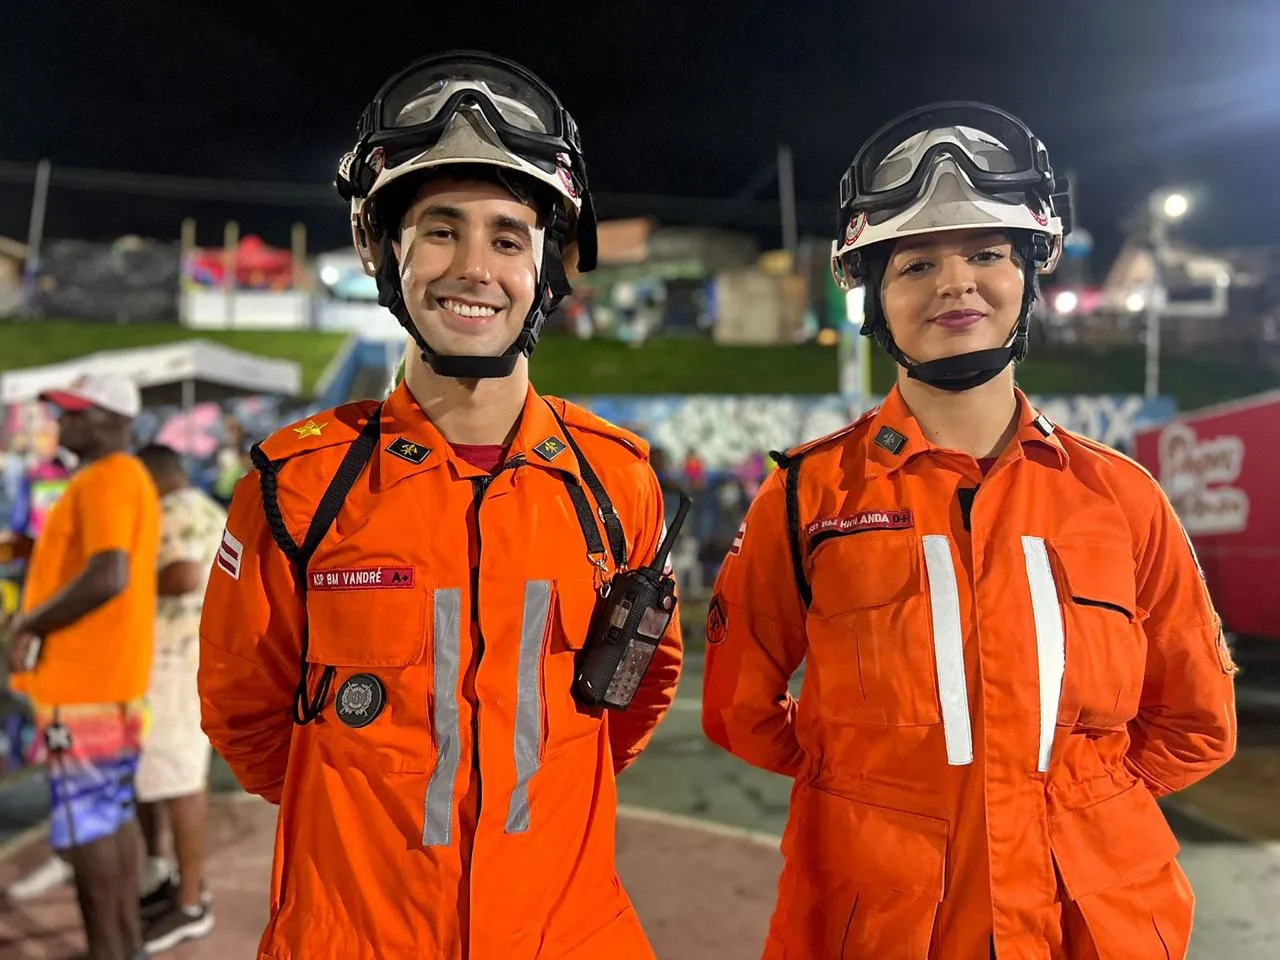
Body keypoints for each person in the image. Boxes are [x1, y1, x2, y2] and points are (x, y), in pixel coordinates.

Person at [701, 102, 1237, 960]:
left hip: (1088, 925)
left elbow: (1199, 722)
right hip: (882, 925)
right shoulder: (806, 497)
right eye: (916, 264)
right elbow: (739, 708)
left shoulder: (1123, 498)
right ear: (874, 296)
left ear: (1029, 277)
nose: (956, 283)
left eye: (987, 254)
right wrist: (867, 781)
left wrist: (1083, 799)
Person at [199, 51, 683, 959]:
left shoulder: (619, 481)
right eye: (439, 230)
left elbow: (640, 688)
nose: (474, 268)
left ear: (549, 266)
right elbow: (246, 717)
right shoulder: (295, 486)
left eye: (508, 237)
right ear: (381, 249)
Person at [2, 372, 160, 960]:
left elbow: (108, 574)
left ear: (114, 420)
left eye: (76, 412)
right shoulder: (124, 478)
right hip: (112, 681)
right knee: (111, 819)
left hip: (82, 683)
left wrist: (29, 623)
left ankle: (108, 949)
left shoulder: (103, 479)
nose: (62, 423)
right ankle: (123, 945)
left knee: (88, 828)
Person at [132, 444, 224, 954]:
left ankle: (190, 902)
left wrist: (121, 588)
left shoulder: (171, 512)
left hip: (171, 666)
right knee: (168, 778)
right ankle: (167, 881)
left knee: (179, 782)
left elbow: (183, 574)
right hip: (195, 658)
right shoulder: (210, 507)